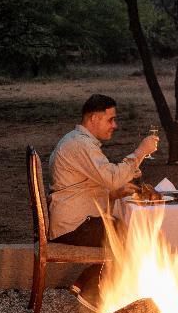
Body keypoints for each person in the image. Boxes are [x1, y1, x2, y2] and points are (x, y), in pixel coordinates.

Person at [47, 94, 158, 299]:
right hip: (72, 227)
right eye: (110, 119)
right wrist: (141, 151)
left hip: (74, 221)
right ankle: (92, 291)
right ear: (93, 119)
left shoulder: (78, 142)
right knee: (131, 233)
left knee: (125, 227)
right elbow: (112, 177)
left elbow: (86, 187)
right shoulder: (79, 144)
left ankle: (85, 284)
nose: (114, 125)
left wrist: (114, 195)